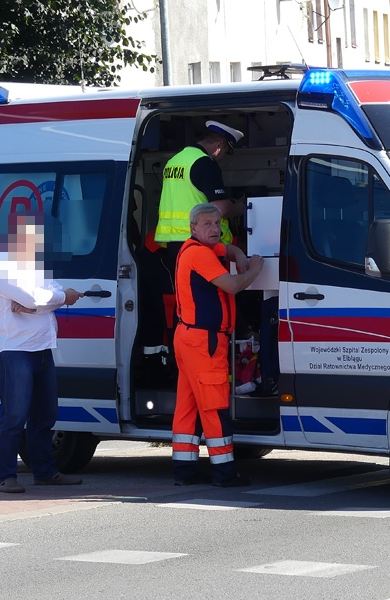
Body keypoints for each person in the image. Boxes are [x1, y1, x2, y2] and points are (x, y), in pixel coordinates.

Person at [0, 212, 84, 493]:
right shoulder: (0, 270)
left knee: (45, 415)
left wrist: (40, 304)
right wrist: (52, 300)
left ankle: (44, 472)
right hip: (14, 350)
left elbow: (45, 295)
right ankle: (4, 477)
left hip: (42, 347)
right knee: (14, 416)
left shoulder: (34, 269)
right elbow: (35, 297)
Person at [172, 203, 264, 487]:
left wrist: (238, 253)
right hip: (205, 342)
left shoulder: (194, 248)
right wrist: (256, 267)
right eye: (207, 224)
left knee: (187, 407)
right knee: (214, 408)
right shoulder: (200, 254)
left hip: (189, 337)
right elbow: (233, 286)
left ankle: (184, 471)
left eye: (217, 223)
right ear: (193, 228)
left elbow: (228, 249)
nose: (214, 229)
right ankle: (225, 473)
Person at [154, 120, 245, 262]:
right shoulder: (205, 163)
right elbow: (219, 208)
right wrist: (237, 208)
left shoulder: (174, 161)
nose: (223, 157)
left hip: (174, 243)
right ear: (219, 145)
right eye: (226, 151)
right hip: (199, 240)